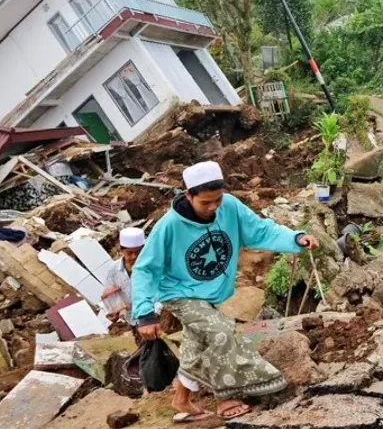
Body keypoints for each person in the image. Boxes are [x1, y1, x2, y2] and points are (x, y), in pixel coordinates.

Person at [131, 161, 319, 422]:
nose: (213, 208)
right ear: (188, 195)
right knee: (221, 332)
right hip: (179, 292)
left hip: (210, 292)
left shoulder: (229, 206)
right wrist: (144, 313)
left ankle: (181, 399)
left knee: (198, 342)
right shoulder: (169, 226)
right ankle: (226, 396)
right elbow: (145, 268)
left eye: (217, 200)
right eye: (205, 203)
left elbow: (260, 229)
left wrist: (294, 239)